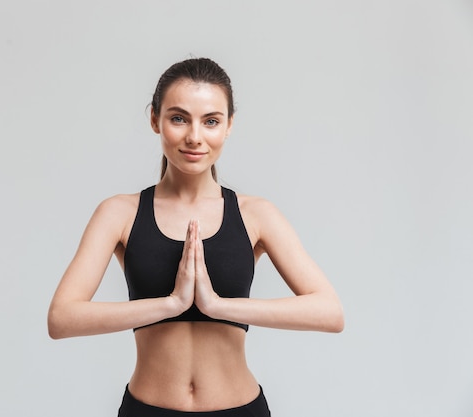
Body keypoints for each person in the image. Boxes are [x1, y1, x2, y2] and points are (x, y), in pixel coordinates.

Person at [47, 57, 344, 416]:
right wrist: (170, 304)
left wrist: (218, 306)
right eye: (178, 118)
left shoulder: (256, 214)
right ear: (155, 119)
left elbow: (329, 312)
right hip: (148, 409)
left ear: (229, 125)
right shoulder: (119, 213)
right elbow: (62, 318)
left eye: (211, 121)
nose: (194, 136)